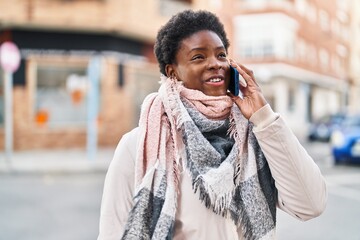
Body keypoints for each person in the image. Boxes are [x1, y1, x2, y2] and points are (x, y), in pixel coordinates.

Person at [97, 10, 327, 240]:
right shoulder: (140, 144)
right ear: (172, 72)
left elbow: (310, 204)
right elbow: (113, 233)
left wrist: (264, 117)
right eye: (199, 57)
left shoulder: (256, 137)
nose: (215, 64)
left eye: (221, 55)